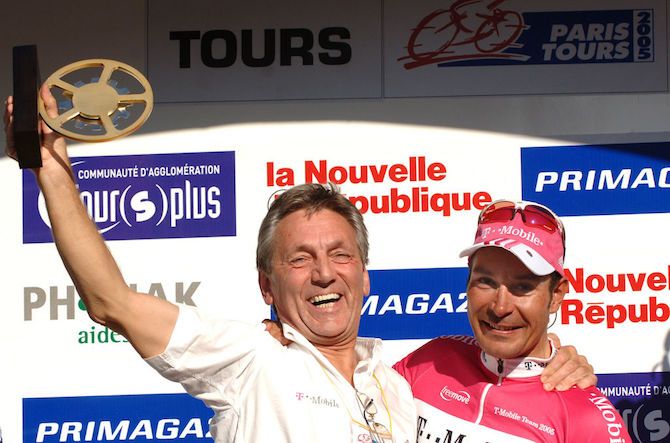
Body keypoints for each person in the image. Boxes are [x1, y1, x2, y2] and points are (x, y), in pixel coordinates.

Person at [4, 88, 594, 443]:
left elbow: (502, 375)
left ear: (365, 276)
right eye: (299, 259)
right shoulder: (248, 357)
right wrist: (53, 170)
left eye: (341, 255)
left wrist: (558, 361)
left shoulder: (398, 378)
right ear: (266, 282)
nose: (323, 273)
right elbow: (113, 302)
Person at [393, 200, 630, 442]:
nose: (500, 306)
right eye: (486, 281)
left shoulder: (586, 419)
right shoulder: (429, 361)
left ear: (556, 295)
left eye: (523, 287)